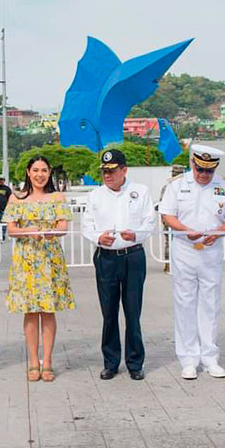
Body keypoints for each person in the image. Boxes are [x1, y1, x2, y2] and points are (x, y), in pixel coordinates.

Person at [160, 145, 225, 379]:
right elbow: (167, 215)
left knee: (210, 304)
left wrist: (218, 232)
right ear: (193, 163)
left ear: (215, 168)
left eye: (208, 170)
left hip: (211, 251)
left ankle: (209, 358)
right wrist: (186, 230)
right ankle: (188, 359)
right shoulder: (177, 186)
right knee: (184, 304)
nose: (203, 174)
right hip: (184, 249)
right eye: (199, 169)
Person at [81, 149, 154, 381]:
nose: (108, 175)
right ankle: (111, 362)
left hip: (133, 256)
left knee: (133, 311)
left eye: (112, 171)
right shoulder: (95, 196)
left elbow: (149, 221)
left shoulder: (139, 192)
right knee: (109, 312)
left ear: (124, 170)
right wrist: (98, 238)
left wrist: (137, 235)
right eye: (104, 171)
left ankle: (135, 362)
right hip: (107, 257)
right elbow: (87, 225)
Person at [4, 156, 74, 383]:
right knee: (30, 311)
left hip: (50, 260)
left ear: (50, 172)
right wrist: (29, 231)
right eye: (35, 170)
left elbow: (63, 226)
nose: (40, 174)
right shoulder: (17, 198)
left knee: (48, 311)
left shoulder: (57, 197)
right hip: (25, 260)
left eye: (44, 170)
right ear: (28, 171)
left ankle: (48, 361)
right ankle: (33, 361)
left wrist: (48, 232)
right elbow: (12, 230)